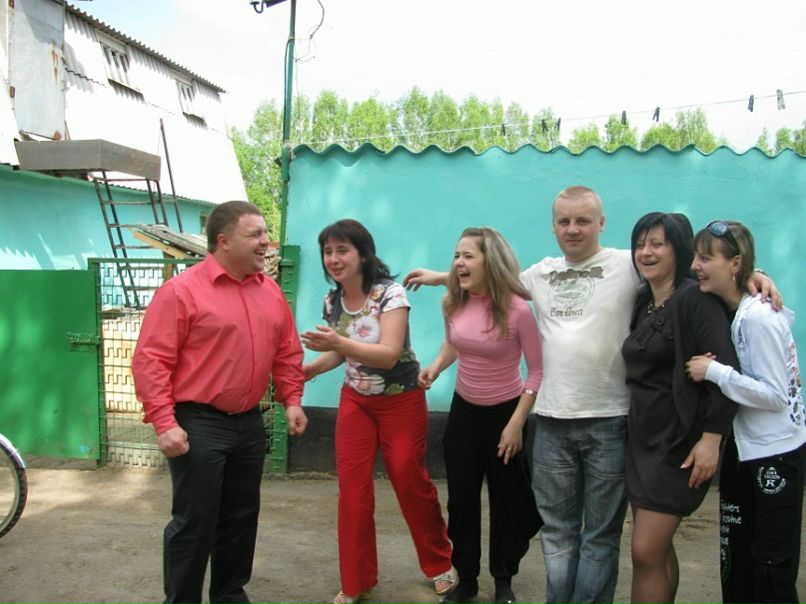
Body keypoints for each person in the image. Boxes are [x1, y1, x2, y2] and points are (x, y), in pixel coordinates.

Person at [404, 186, 778, 604]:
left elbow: (693, 270)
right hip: (551, 423)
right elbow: (491, 278)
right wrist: (440, 276)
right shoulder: (540, 274)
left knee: (601, 538)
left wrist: (752, 276)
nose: (573, 229)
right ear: (553, 227)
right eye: (564, 221)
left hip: (611, 424)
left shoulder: (628, 265)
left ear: (601, 223)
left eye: (583, 220)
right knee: (558, 537)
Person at [131, 200, 308, 604]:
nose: (265, 242)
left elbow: (286, 351)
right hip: (198, 422)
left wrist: (292, 399)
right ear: (224, 241)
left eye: (265, 233)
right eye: (255, 234)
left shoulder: (270, 292)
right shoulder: (181, 291)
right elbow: (152, 360)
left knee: (241, 518)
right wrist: (164, 422)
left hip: (249, 422)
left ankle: (229, 594)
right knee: (195, 521)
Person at [300, 219, 455, 604]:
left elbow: (387, 354)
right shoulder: (332, 300)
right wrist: (309, 370)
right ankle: (357, 581)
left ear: (364, 254)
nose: (334, 259)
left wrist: (337, 343)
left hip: (401, 399)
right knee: (352, 489)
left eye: (342, 250)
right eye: (328, 252)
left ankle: (440, 562)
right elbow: (342, 352)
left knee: (408, 478)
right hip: (356, 401)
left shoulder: (390, 294)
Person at [417, 227, 544, 604]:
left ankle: (504, 580)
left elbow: (537, 371)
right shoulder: (452, 303)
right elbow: (454, 344)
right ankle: (467, 580)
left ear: (491, 261)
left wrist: (516, 424)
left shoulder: (518, 310)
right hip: (463, 416)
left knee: (506, 501)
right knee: (461, 501)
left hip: (506, 416)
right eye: (456, 255)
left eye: (468, 256)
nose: (459, 262)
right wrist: (436, 366)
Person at [621, 212, 739, 604]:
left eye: (657, 244)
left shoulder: (695, 299)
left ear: (679, 250)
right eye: (640, 244)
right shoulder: (644, 301)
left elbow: (726, 371)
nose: (646, 252)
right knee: (657, 551)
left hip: (678, 445)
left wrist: (711, 439)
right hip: (643, 440)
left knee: (645, 551)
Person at [687, 220, 806, 604]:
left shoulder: (758, 318)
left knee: (770, 565)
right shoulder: (736, 307)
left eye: (706, 258)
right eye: (695, 257)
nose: (695, 266)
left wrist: (715, 372)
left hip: (776, 454)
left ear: (735, 264)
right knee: (735, 558)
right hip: (746, 449)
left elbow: (775, 395)